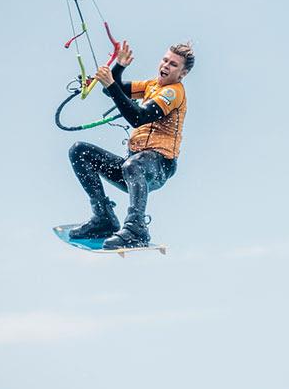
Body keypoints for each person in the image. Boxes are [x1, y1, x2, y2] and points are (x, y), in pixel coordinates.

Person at [68, 41, 194, 249]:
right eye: (165, 60)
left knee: (132, 165)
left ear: (182, 74)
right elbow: (112, 91)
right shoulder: (151, 86)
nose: (165, 65)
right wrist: (119, 66)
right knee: (79, 151)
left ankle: (136, 228)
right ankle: (103, 218)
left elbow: (138, 118)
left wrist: (110, 83)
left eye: (173, 64)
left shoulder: (174, 93)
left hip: (159, 167)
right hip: (134, 168)